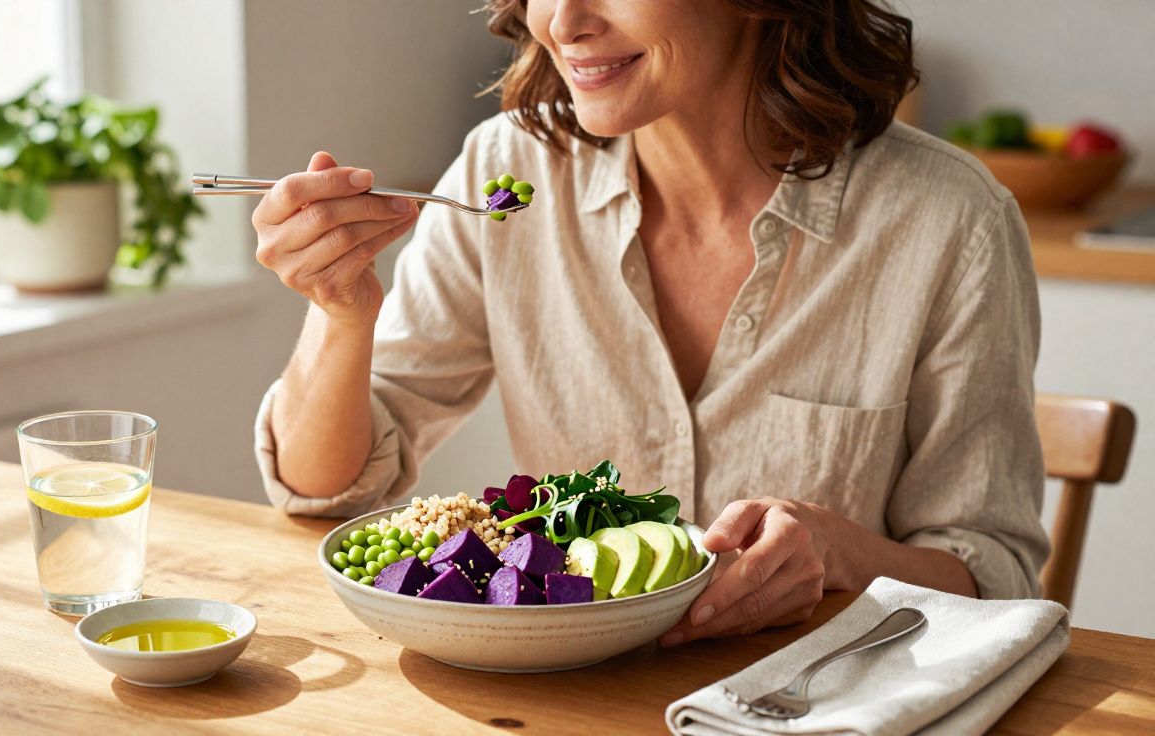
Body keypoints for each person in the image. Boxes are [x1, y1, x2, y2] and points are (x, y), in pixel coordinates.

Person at [250, 0, 1049, 645]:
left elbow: (994, 577)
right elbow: (327, 488)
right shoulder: (508, 175)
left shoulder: (948, 220)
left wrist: (840, 552)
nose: (563, 21)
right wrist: (341, 312)